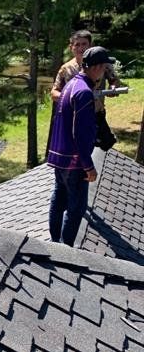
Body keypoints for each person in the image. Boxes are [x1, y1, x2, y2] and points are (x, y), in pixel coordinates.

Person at [46, 46, 114, 246]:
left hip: (59, 156)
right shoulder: (84, 92)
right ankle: (66, 248)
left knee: (59, 198)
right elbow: (81, 134)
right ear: (97, 67)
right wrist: (88, 166)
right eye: (104, 67)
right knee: (76, 207)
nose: (104, 71)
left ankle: (54, 242)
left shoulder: (71, 84)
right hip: (75, 161)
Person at [51, 29, 122, 149]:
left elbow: (114, 80)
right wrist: (70, 97)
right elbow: (54, 93)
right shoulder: (66, 69)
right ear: (71, 47)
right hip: (74, 115)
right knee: (77, 148)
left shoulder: (102, 64)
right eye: (77, 45)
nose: (81, 48)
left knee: (104, 144)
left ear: (90, 45)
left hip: (96, 113)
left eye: (84, 44)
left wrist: (113, 88)